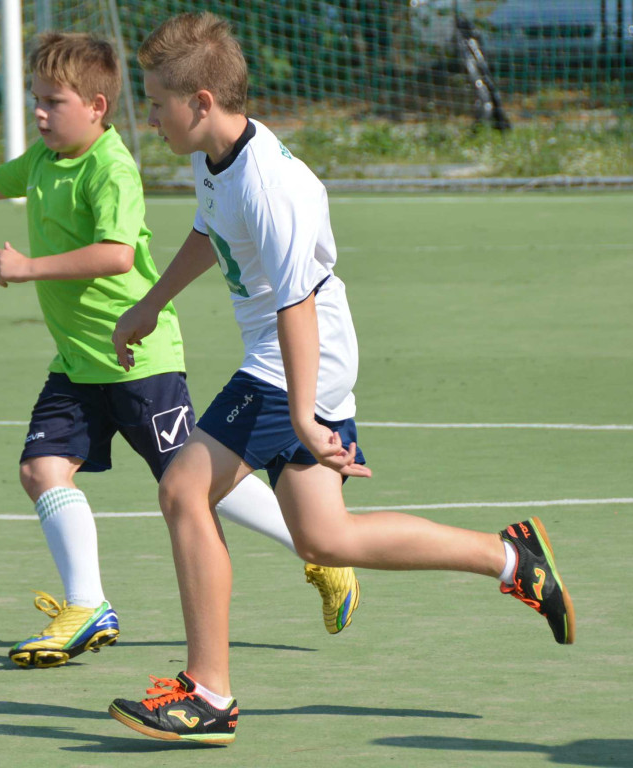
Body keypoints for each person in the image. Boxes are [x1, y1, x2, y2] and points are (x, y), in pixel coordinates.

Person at [108, 12, 575, 743]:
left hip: (299, 356)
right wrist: (148, 305)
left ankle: (208, 694)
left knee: (182, 489)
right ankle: (512, 558)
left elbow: (296, 305)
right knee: (325, 538)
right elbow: (209, 232)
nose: (152, 116)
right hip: (292, 356)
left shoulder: (270, 185)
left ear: (201, 101)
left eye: (157, 101)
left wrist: (301, 417)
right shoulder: (212, 157)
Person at [0, 31, 361, 669]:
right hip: (81, 359)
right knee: (40, 469)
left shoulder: (111, 166)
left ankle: (319, 556)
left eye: (53, 101)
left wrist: (32, 269)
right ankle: (88, 606)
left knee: (191, 482)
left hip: (141, 365)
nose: (41, 113)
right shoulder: (48, 162)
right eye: (36, 100)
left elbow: (118, 254)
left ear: (98, 106)